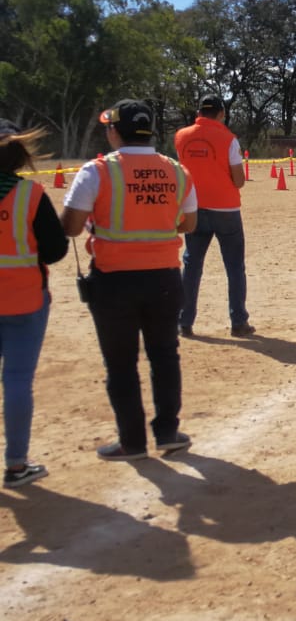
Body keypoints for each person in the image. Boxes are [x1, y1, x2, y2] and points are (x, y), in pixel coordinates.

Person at [60, 100, 198, 461]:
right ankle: (168, 431)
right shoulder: (177, 171)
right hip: (165, 277)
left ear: (114, 131)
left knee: (121, 364)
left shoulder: (97, 171)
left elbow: (71, 228)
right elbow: (190, 224)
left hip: (114, 280)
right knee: (165, 356)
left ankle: (132, 442)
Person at [0, 121, 68, 488]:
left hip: (22, 300)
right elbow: (55, 250)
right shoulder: (30, 195)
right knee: (16, 381)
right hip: (23, 299)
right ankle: (16, 463)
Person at [174, 94, 253, 338]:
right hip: (226, 209)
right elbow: (238, 180)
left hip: (194, 208)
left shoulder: (181, 137)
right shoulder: (229, 139)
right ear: (221, 114)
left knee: (192, 263)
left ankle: (185, 321)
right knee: (234, 267)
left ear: (199, 112)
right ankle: (238, 321)